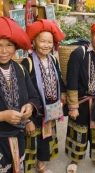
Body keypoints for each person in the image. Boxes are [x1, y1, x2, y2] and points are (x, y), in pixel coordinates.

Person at [65, 21, 95, 173]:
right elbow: (71, 79)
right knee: (78, 131)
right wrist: (73, 106)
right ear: (91, 37)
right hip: (80, 100)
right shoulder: (79, 53)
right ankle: (75, 159)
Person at [21, 19, 66, 173]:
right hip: (34, 113)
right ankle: (27, 168)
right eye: (43, 41)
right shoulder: (27, 63)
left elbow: (59, 81)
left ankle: (40, 164)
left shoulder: (53, 60)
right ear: (34, 41)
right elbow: (23, 93)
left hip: (50, 111)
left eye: (49, 42)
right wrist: (27, 120)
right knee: (30, 141)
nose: (46, 45)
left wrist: (61, 102)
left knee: (45, 140)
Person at [0, 17, 40, 173]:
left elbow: (33, 97)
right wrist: (3, 116)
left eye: (9, 45)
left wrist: (29, 108)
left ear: (15, 47)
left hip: (18, 136)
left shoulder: (19, 69)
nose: (3, 51)